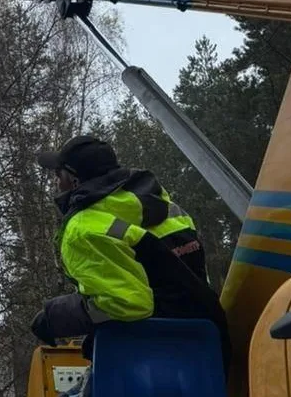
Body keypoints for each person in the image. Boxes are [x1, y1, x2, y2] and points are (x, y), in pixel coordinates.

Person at [32, 135, 230, 397]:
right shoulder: (162, 205)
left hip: (142, 360)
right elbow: (172, 284)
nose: (57, 183)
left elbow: (129, 304)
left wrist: (57, 316)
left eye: (59, 175)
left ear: (74, 179)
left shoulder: (83, 229)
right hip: (207, 354)